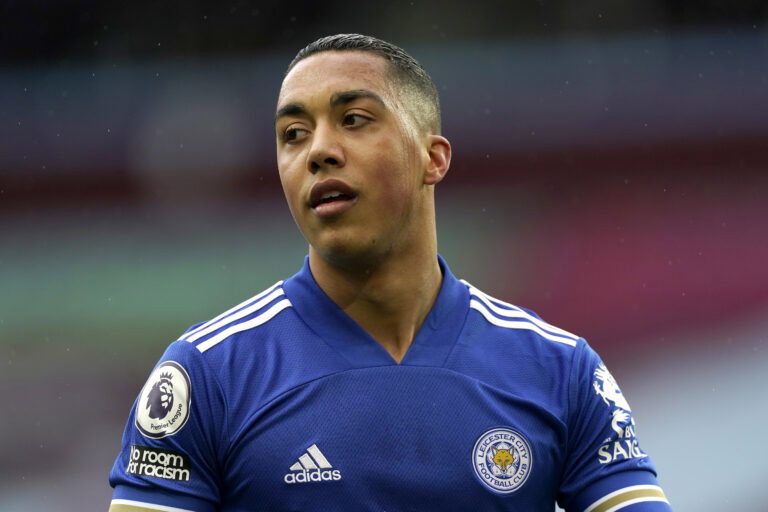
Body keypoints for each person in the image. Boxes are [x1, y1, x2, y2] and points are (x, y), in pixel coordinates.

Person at [108, 34, 672, 512]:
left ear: (434, 158)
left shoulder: (558, 370)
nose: (318, 151)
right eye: (293, 134)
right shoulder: (208, 375)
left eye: (353, 120)